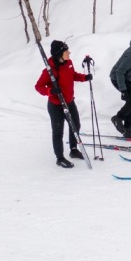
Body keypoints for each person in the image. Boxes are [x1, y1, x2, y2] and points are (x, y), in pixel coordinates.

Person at [34, 39, 91, 169]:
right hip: (56, 106)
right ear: (60, 54)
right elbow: (38, 86)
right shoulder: (50, 71)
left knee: (75, 125)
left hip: (69, 102)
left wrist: (84, 77)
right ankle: (59, 158)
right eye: (66, 51)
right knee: (58, 132)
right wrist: (50, 90)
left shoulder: (68, 63)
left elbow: (73, 75)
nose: (69, 53)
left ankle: (73, 149)